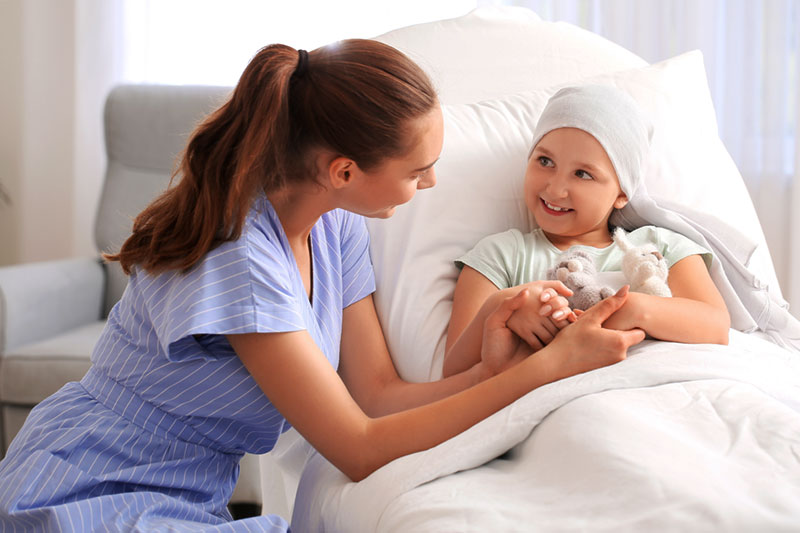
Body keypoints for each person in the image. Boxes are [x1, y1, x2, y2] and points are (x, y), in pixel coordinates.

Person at [0, 44, 645, 532]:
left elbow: (379, 398)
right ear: (343, 170)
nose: (430, 185)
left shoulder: (334, 228)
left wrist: (491, 370)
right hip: (96, 482)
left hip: (184, 492)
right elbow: (357, 448)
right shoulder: (243, 260)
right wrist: (548, 371)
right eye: (418, 171)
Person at [443, 84, 731, 378]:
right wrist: (505, 311)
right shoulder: (501, 255)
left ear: (622, 193)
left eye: (583, 174)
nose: (555, 189)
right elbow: (453, 373)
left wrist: (627, 309)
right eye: (545, 161)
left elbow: (716, 326)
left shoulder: (658, 246)